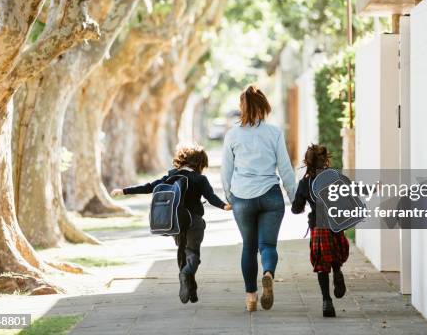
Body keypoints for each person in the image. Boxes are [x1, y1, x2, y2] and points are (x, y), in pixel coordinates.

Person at [111, 143, 231, 304]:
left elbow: (149, 187)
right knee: (193, 254)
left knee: (182, 251)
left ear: (182, 160)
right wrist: (224, 206)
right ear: (200, 163)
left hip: (174, 221)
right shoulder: (199, 178)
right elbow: (211, 197)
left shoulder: (171, 176)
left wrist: (125, 191)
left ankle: (190, 287)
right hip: (193, 221)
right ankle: (186, 274)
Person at [221, 85, 296, 312]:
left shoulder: (232, 135)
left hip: (242, 197)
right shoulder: (274, 133)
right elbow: (285, 168)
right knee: (268, 245)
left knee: (249, 247)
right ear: (264, 106)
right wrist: (294, 198)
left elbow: (226, 170)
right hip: (271, 195)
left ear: (242, 107)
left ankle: (251, 297)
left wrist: (229, 197)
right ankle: (268, 273)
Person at [291, 144, 349, 318]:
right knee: (335, 253)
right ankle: (337, 271)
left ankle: (326, 302)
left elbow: (296, 208)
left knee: (321, 263)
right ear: (325, 161)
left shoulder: (305, 182)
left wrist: (300, 201)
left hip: (318, 225)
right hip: (335, 222)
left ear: (307, 162)